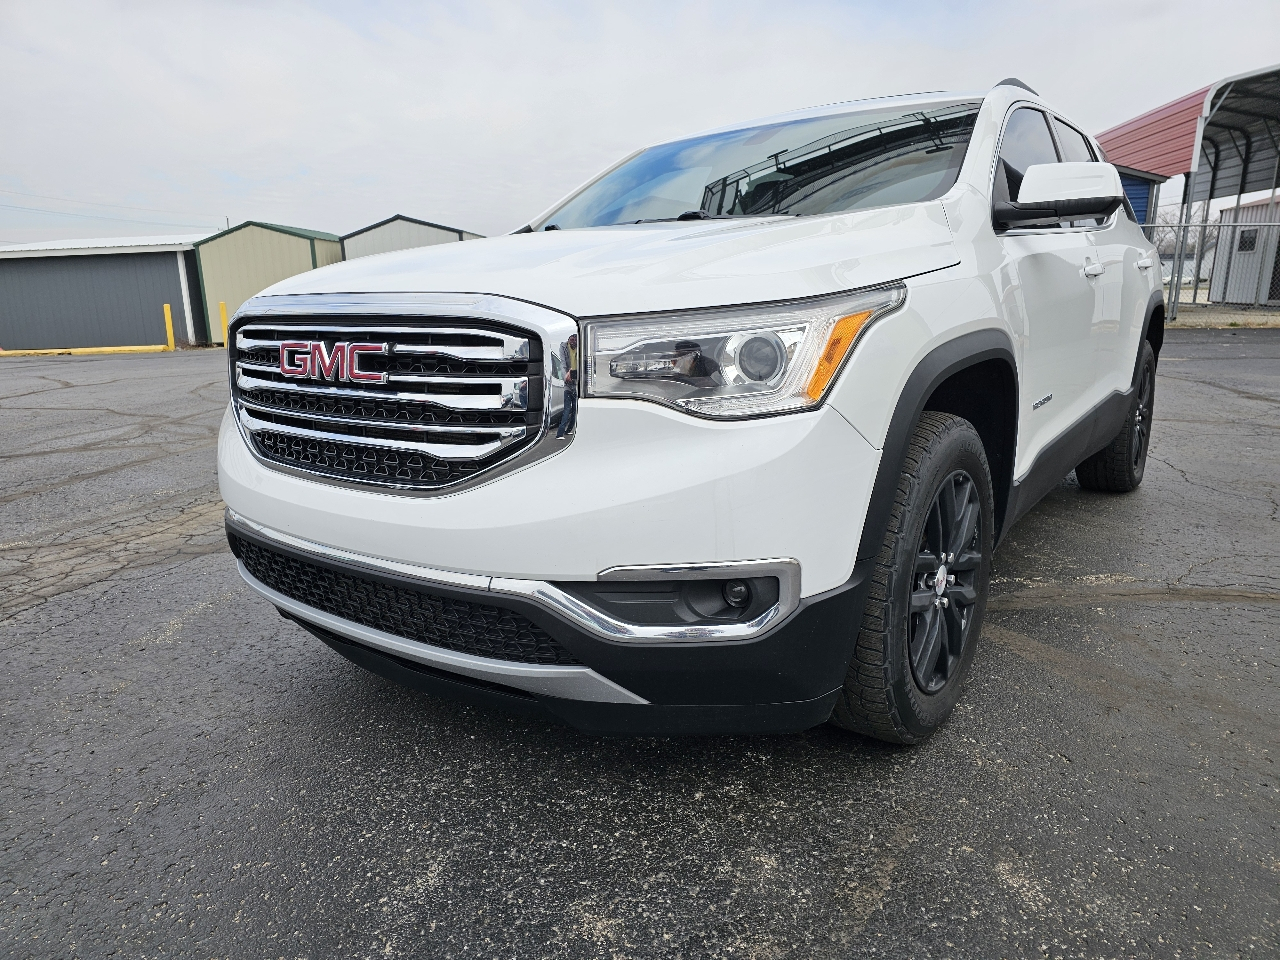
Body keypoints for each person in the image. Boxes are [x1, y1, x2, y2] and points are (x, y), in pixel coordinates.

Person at [556, 333, 578, 439]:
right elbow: (563, 364)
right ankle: (559, 433)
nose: (572, 341)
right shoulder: (564, 347)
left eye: (574, 340)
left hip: (577, 382)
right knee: (567, 409)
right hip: (568, 383)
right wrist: (565, 377)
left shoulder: (580, 348)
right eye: (571, 339)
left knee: (575, 409)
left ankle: (569, 430)